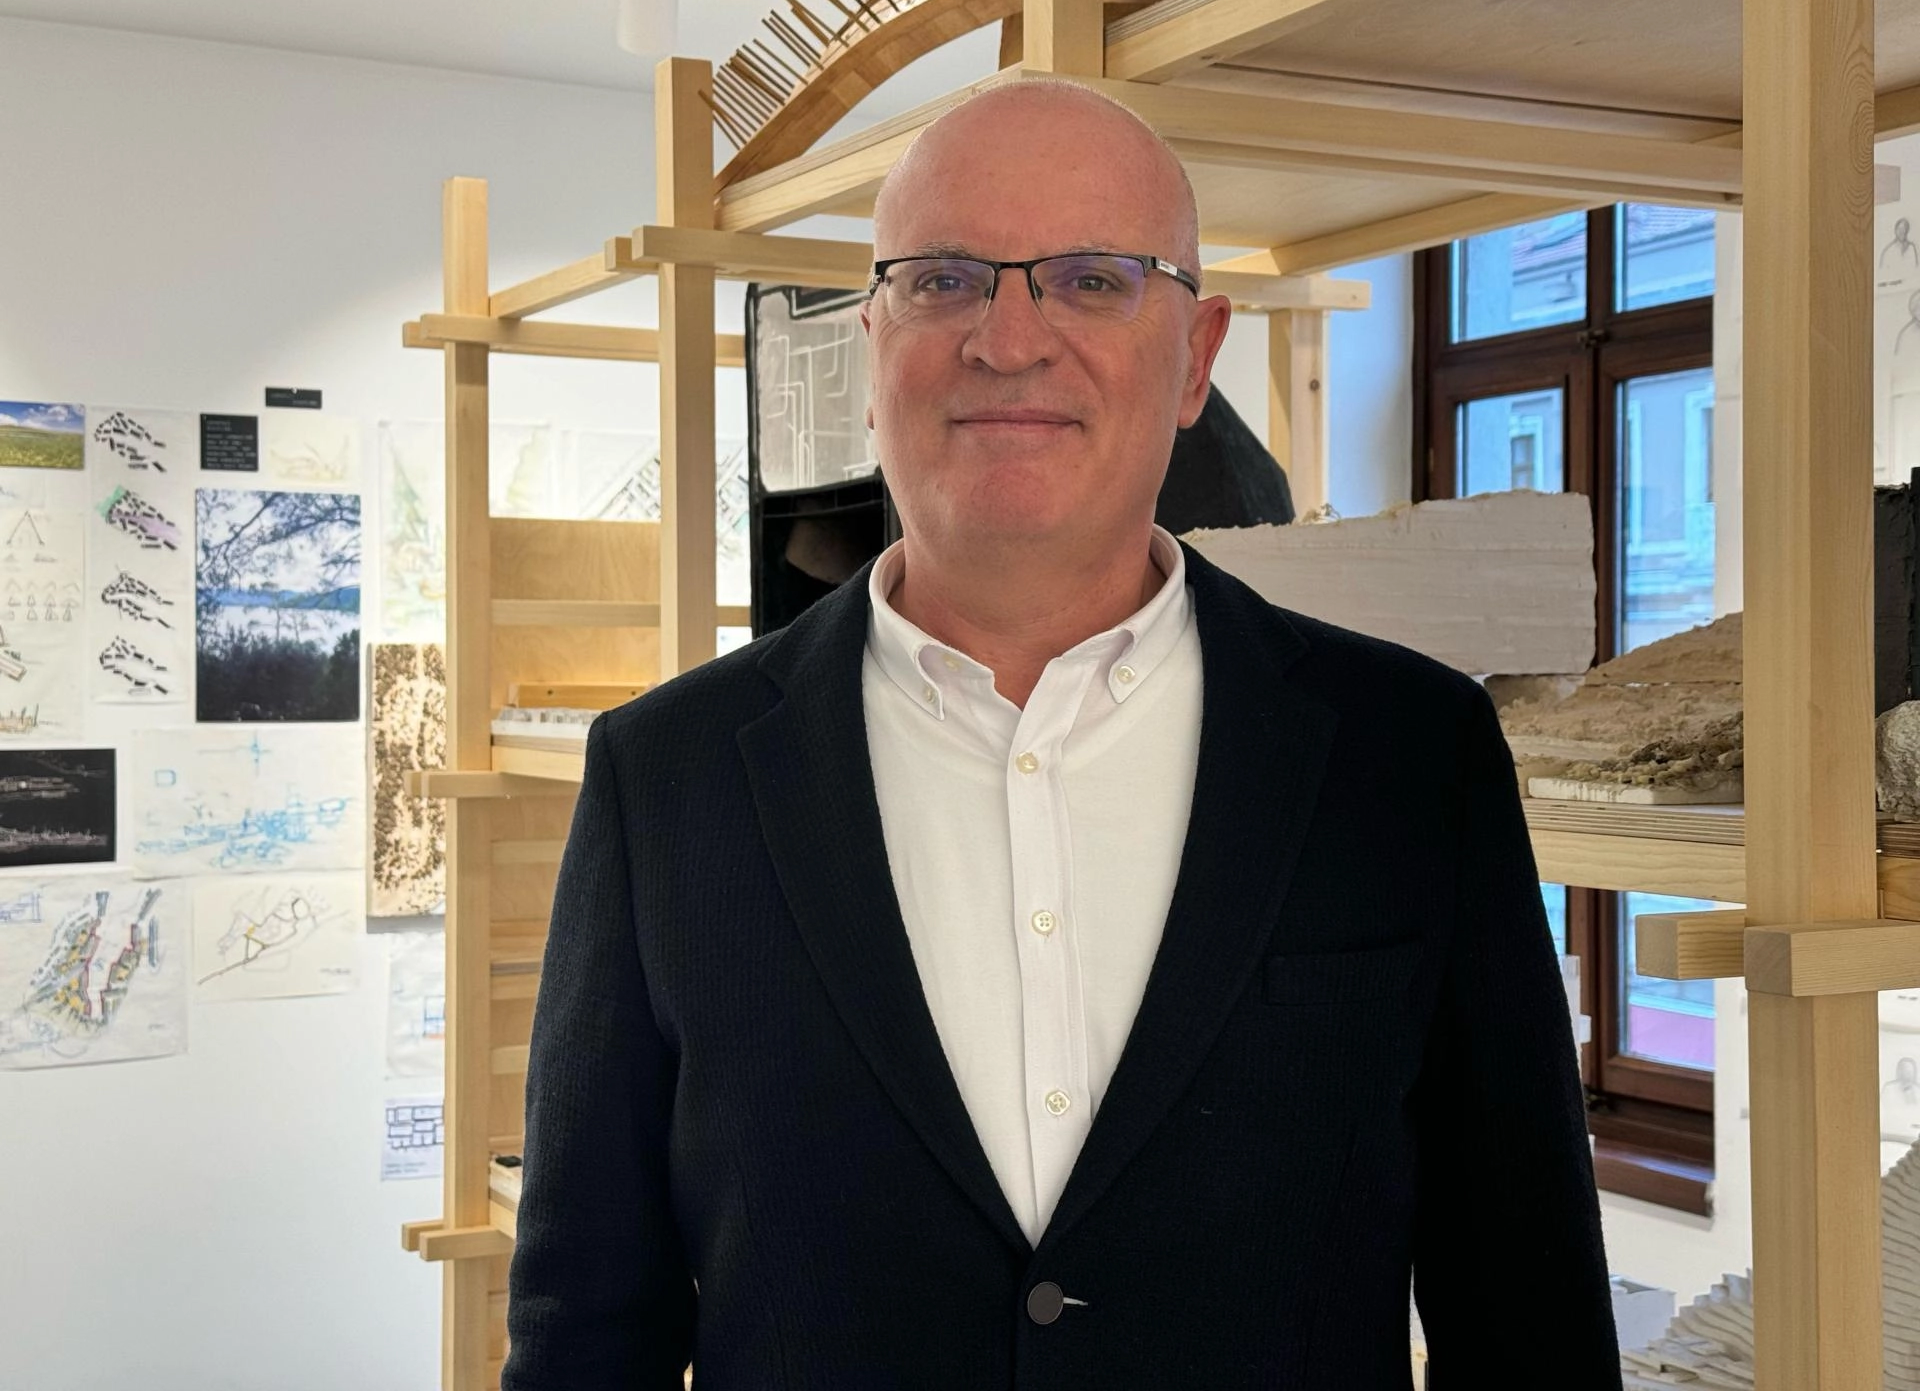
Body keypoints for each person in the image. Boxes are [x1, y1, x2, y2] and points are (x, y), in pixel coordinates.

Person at [504, 80, 1618, 1390]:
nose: (1009, 339)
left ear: (1195, 357)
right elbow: (587, 1328)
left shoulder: (1411, 757)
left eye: (1092, 280)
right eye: (943, 280)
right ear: (870, 346)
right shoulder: (667, 779)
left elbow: (1527, 1311)